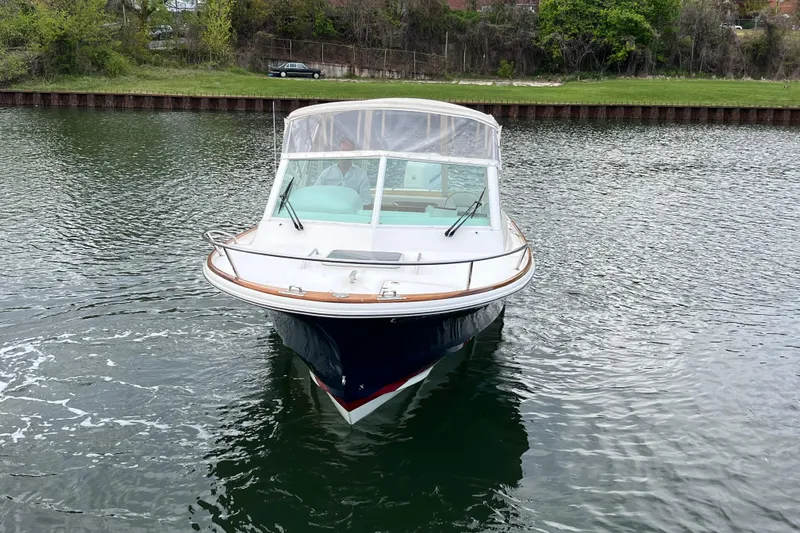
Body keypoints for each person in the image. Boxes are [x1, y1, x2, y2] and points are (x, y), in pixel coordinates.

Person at [314, 138, 372, 205]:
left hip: (352, 211)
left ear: (353, 153)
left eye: (348, 151)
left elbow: (365, 202)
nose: (345, 154)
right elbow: (315, 194)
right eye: (343, 151)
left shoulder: (361, 175)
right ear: (338, 152)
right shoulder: (326, 173)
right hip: (329, 209)